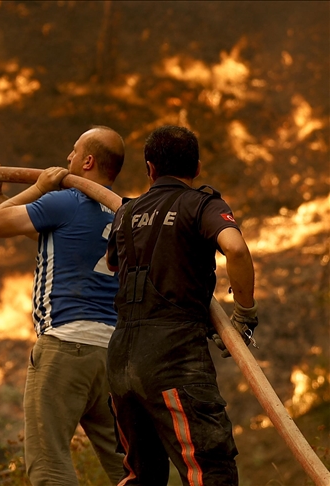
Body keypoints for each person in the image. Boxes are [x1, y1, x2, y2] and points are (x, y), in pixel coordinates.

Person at [105, 125, 257, 485]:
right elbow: (235, 248)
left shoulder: (125, 214)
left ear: (149, 169)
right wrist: (244, 315)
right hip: (175, 361)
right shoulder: (201, 204)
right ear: (198, 167)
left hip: (121, 361)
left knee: (140, 476)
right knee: (209, 470)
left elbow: (114, 264)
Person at [0, 126, 127, 486]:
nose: (67, 159)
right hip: (110, 357)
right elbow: (36, 228)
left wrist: (40, 187)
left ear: (88, 161)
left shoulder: (64, 201)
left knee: (49, 464)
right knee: (128, 468)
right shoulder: (123, 215)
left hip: (65, 348)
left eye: (74, 151)